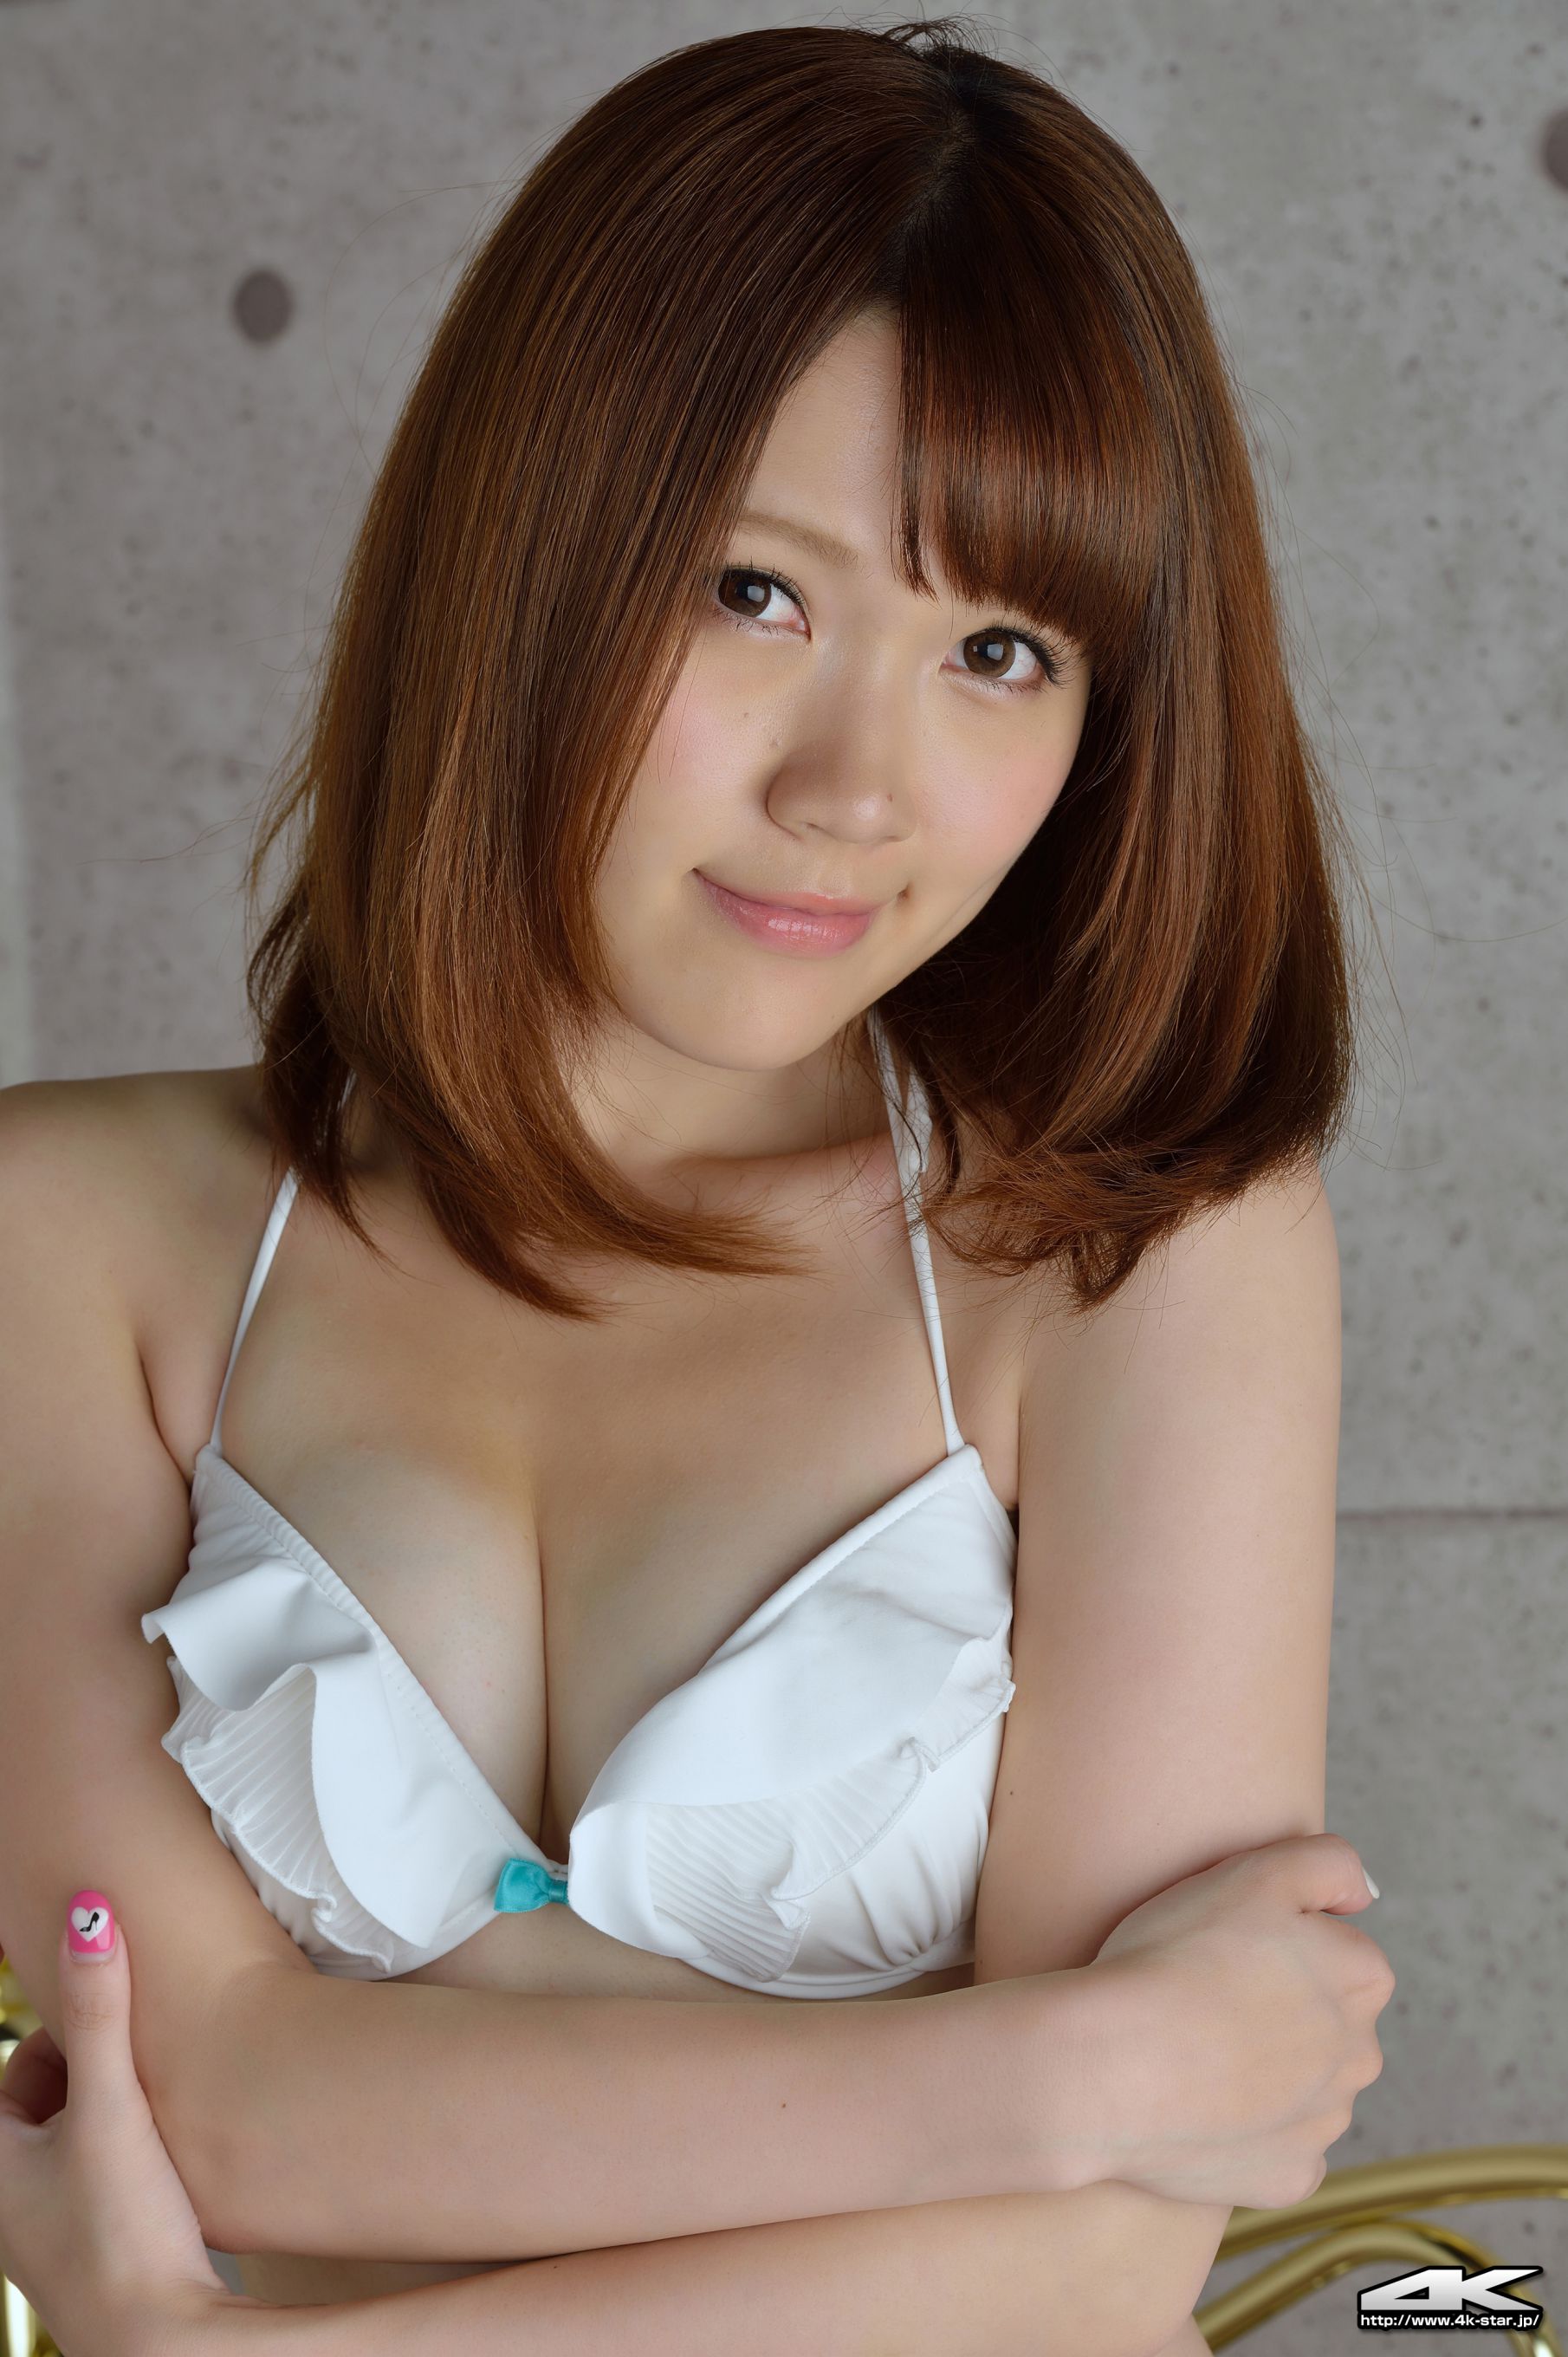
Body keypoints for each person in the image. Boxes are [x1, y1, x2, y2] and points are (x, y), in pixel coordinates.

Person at [0, 19, 1393, 2354]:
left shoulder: (1134, 1259)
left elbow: (1105, 2262)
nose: (858, 788)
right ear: (521, 550)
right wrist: (1079, 2067)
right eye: (757, 592)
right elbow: (214, 2094)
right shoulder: (65, 1243)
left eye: (998, 648)